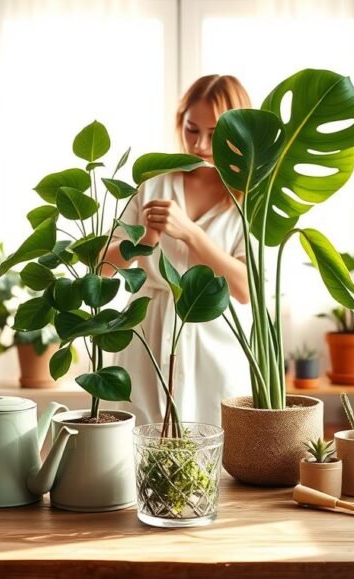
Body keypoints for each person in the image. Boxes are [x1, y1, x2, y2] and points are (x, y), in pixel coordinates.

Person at [104, 74, 253, 427]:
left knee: (213, 451)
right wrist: (145, 240)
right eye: (191, 129)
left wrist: (190, 234)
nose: (200, 144)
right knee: (139, 447)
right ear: (180, 122)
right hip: (148, 332)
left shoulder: (250, 194)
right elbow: (102, 269)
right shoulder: (154, 180)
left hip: (215, 340)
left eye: (215, 134)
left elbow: (246, 289)